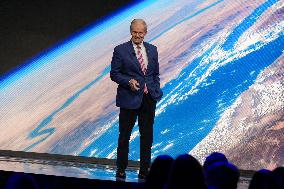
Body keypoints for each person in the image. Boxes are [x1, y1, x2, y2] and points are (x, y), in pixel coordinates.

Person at [110, 19, 163, 180]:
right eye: (135, 32)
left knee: (147, 136)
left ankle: (144, 170)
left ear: (145, 33)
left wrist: (155, 90)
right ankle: (121, 169)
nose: (137, 35)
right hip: (129, 99)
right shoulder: (120, 50)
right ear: (131, 31)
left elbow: (154, 74)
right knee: (124, 135)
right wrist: (128, 82)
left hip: (148, 99)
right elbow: (114, 73)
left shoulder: (152, 50)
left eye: (141, 32)